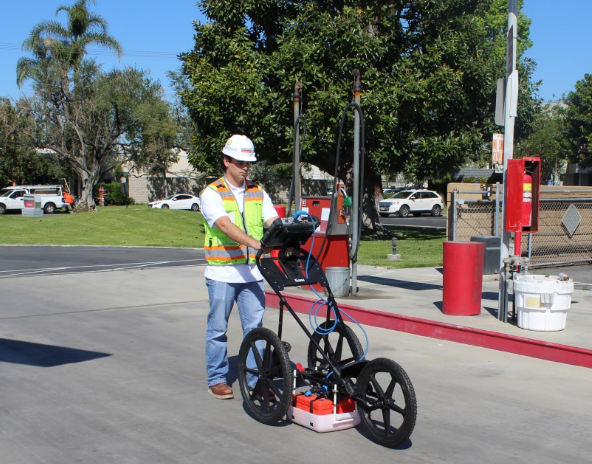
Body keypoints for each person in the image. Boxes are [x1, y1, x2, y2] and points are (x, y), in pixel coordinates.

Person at [200, 134, 279, 400]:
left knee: (255, 330)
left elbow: (272, 220)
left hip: (252, 273)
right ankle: (218, 378)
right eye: (240, 161)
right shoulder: (212, 193)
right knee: (217, 330)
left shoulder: (258, 192)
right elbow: (224, 225)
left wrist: (287, 233)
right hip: (222, 273)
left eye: (249, 162)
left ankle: (256, 380)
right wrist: (255, 244)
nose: (245, 167)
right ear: (226, 161)